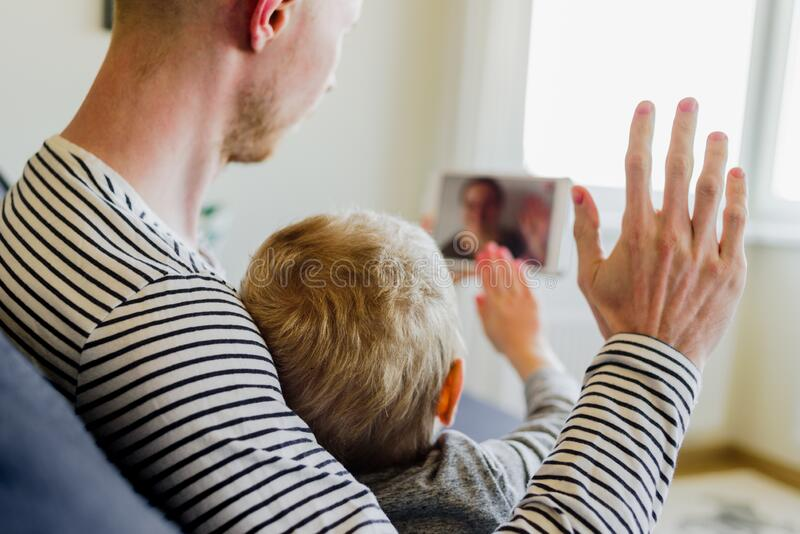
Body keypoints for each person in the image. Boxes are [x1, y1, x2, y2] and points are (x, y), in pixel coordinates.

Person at [0, 0, 748, 529]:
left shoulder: (53, 198)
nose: (333, 77)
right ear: (273, 14)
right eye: (347, 23)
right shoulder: (158, 317)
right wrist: (656, 351)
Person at [240, 210, 579, 533]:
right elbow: (563, 432)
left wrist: (408, 281)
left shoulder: (261, 494)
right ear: (450, 392)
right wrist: (530, 350)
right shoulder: (470, 483)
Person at [441, 178, 526, 259]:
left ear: (499, 207)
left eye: (487, 205)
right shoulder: (446, 253)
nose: (478, 213)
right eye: (471, 205)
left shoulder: (517, 245)